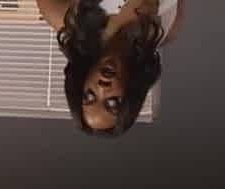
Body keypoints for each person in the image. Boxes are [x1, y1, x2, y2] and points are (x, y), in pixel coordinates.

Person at [35, 0, 184, 136]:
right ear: (130, 97)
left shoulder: (65, 17)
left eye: (89, 96)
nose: (102, 88)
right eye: (112, 103)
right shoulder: (167, 28)